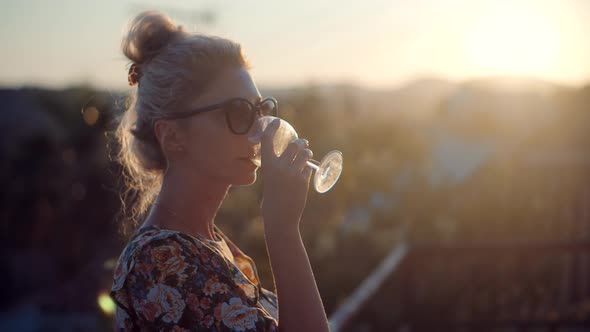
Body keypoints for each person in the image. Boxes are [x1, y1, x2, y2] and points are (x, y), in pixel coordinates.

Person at [108, 10, 331, 332]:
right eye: (238, 112)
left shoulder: (211, 246)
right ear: (172, 136)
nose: (259, 130)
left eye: (260, 110)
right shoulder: (159, 262)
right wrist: (282, 229)